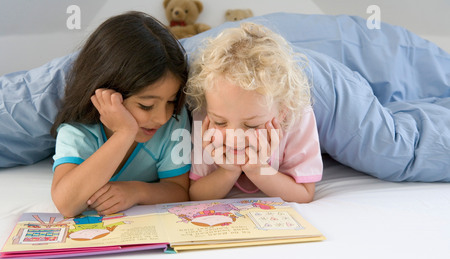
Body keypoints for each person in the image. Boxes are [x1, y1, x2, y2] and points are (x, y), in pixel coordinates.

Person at [50, 12, 191, 218]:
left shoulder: (174, 121)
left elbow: (180, 190)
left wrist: (137, 191)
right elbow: (67, 204)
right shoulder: (78, 130)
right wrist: (124, 133)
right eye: (146, 105)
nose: (162, 117)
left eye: (171, 101)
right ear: (105, 93)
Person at [186, 23, 323, 202]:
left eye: (251, 125)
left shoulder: (297, 117)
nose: (234, 138)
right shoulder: (205, 115)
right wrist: (228, 171)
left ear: (282, 112)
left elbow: (304, 194)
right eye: (220, 122)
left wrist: (257, 170)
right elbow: (196, 194)